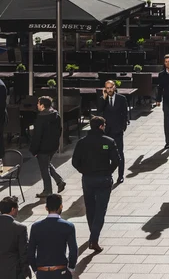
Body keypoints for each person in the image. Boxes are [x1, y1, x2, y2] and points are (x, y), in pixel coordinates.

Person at [71, 116, 119, 252]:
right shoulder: (109, 141)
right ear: (101, 126)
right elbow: (116, 160)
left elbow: (75, 162)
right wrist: (108, 172)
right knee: (100, 210)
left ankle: (93, 233)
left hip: (88, 179)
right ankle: (94, 238)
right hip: (103, 179)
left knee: (90, 208)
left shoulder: (82, 142)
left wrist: (84, 171)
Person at [27, 194, 77, 277]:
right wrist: (71, 268)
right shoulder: (68, 226)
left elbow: (31, 252)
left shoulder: (36, 227)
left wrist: (35, 270)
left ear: (46, 208)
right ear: (61, 206)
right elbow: (73, 250)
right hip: (61, 270)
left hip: (42, 271)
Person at [30, 96, 65, 198]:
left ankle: (48, 190)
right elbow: (60, 130)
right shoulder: (56, 115)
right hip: (53, 146)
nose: (37, 105)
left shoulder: (41, 118)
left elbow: (37, 136)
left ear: (42, 105)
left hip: (43, 148)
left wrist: (34, 150)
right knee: (47, 164)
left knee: (44, 169)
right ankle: (59, 181)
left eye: (38, 103)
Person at [97, 81, 128, 183]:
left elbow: (125, 113)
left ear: (114, 87)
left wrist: (123, 127)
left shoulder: (121, 99)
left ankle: (121, 175)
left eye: (111, 87)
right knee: (106, 152)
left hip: (118, 132)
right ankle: (108, 174)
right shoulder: (103, 99)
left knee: (119, 153)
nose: (109, 90)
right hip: (107, 133)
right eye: (107, 88)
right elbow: (99, 112)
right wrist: (104, 98)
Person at [0, 196, 30, 279]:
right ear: (13, 209)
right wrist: (26, 271)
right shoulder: (20, 228)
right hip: (14, 272)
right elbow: (23, 252)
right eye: (17, 208)